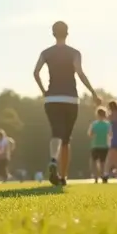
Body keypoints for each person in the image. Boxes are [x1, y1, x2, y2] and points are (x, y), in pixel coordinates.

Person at [33, 21, 102, 186]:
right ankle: (63, 177)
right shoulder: (74, 53)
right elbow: (79, 73)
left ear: (53, 33)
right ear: (67, 33)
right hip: (70, 99)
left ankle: (52, 160)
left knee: (56, 132)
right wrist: (93, 93)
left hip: (52, 99)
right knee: (66, 139)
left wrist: (44, 91)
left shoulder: (46, 53)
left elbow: (35, 72)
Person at [88, 108, 112, 183]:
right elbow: (110, 134)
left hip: (95, 145)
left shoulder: (94, 124)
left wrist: (95, 135)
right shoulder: (108, 124)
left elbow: (90, 134)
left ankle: (95, 177)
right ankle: (103, 176)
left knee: (94, 162)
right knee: (103, 162)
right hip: (105, 146)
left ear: (97, 115)